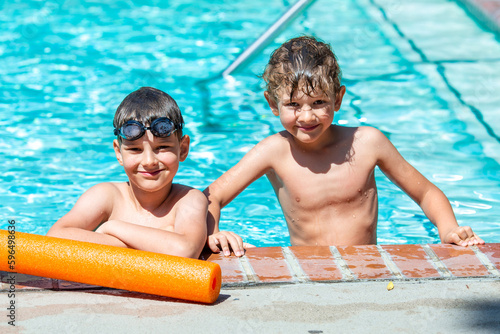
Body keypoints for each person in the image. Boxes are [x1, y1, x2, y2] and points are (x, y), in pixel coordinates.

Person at [204, 36, 484, 257]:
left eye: (318, 103)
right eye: (293, 105)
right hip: (307, 272)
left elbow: (425, 192)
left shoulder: (368, 142)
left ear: (338, 99)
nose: (306, 116)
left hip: (368, 271)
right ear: (271, 104)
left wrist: (448, 228)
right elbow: (212, 196)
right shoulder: (274, 151)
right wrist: (214, 232)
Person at [48, 87, 207, 259]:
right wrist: (157, 243)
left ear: (183, 149)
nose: (149, 161)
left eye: (162, 147)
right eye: (135, 149)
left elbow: (184, 251)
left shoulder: (188, 199)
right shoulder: (107, 196)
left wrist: (112, 228)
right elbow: (55, 239)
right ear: (119, 153)